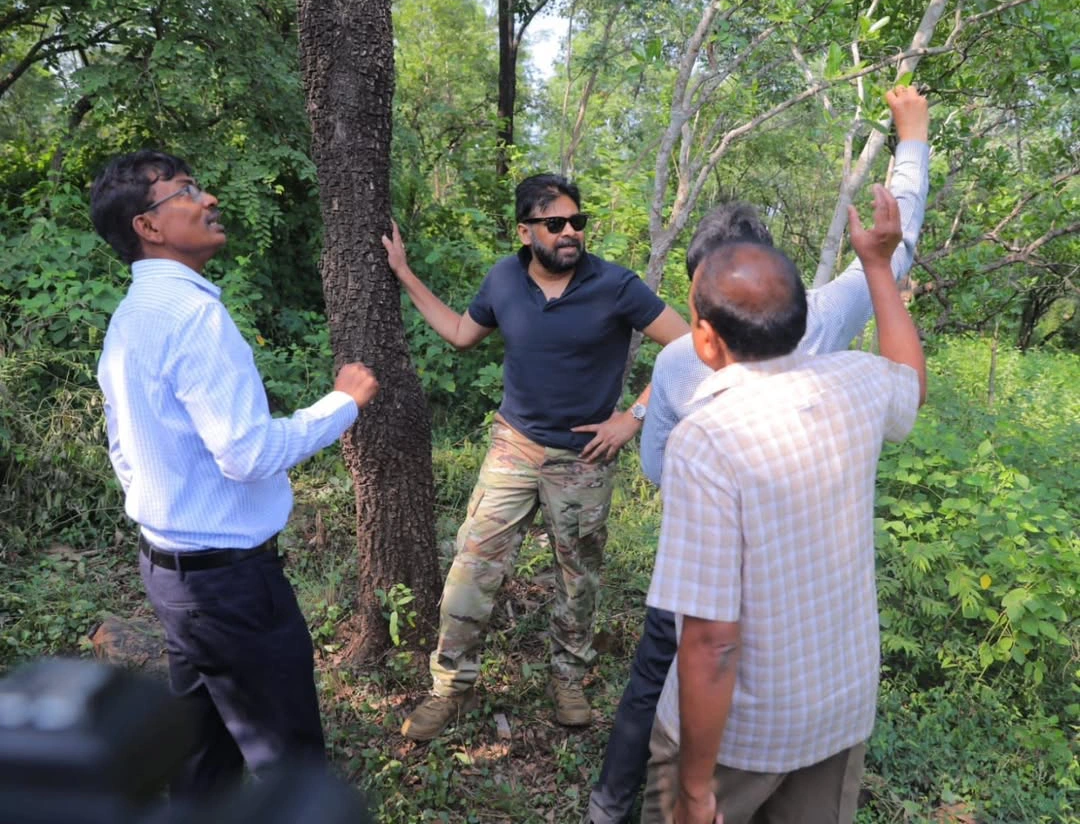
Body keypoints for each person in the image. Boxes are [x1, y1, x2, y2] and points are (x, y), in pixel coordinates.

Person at [585, 84, 930, 824]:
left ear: (703, 329)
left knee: (656, 679)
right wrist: (911, 147)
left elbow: (710, 642)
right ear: (803, 305)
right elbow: (907, 370)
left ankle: (609, 805)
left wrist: (697, 788)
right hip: (838, 710)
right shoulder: (858, 380)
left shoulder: (703, 429)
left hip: (742, 728)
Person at [92, 150, 379, 797]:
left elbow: (124, 447)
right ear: (150, 226)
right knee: (293, 770)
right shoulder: (191, 317)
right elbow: (246, 454)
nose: (209, 197)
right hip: (231, 589)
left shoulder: (131, 318)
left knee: (201, 754)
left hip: (170, 576)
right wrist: (345, 403)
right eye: (187, 190)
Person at [381, 173, 689, 740]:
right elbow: (458, 332)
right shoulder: (503, 278)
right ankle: (449, 687)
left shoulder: (616, 285)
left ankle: (568, 680)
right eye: (555, 224)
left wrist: (634, 416)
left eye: (578, 221)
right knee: (473, 564)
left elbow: (691, 346)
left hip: (584, 458)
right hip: (514, 444)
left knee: (578, 578)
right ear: (525, 232)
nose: (570, 232)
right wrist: (403, 274)